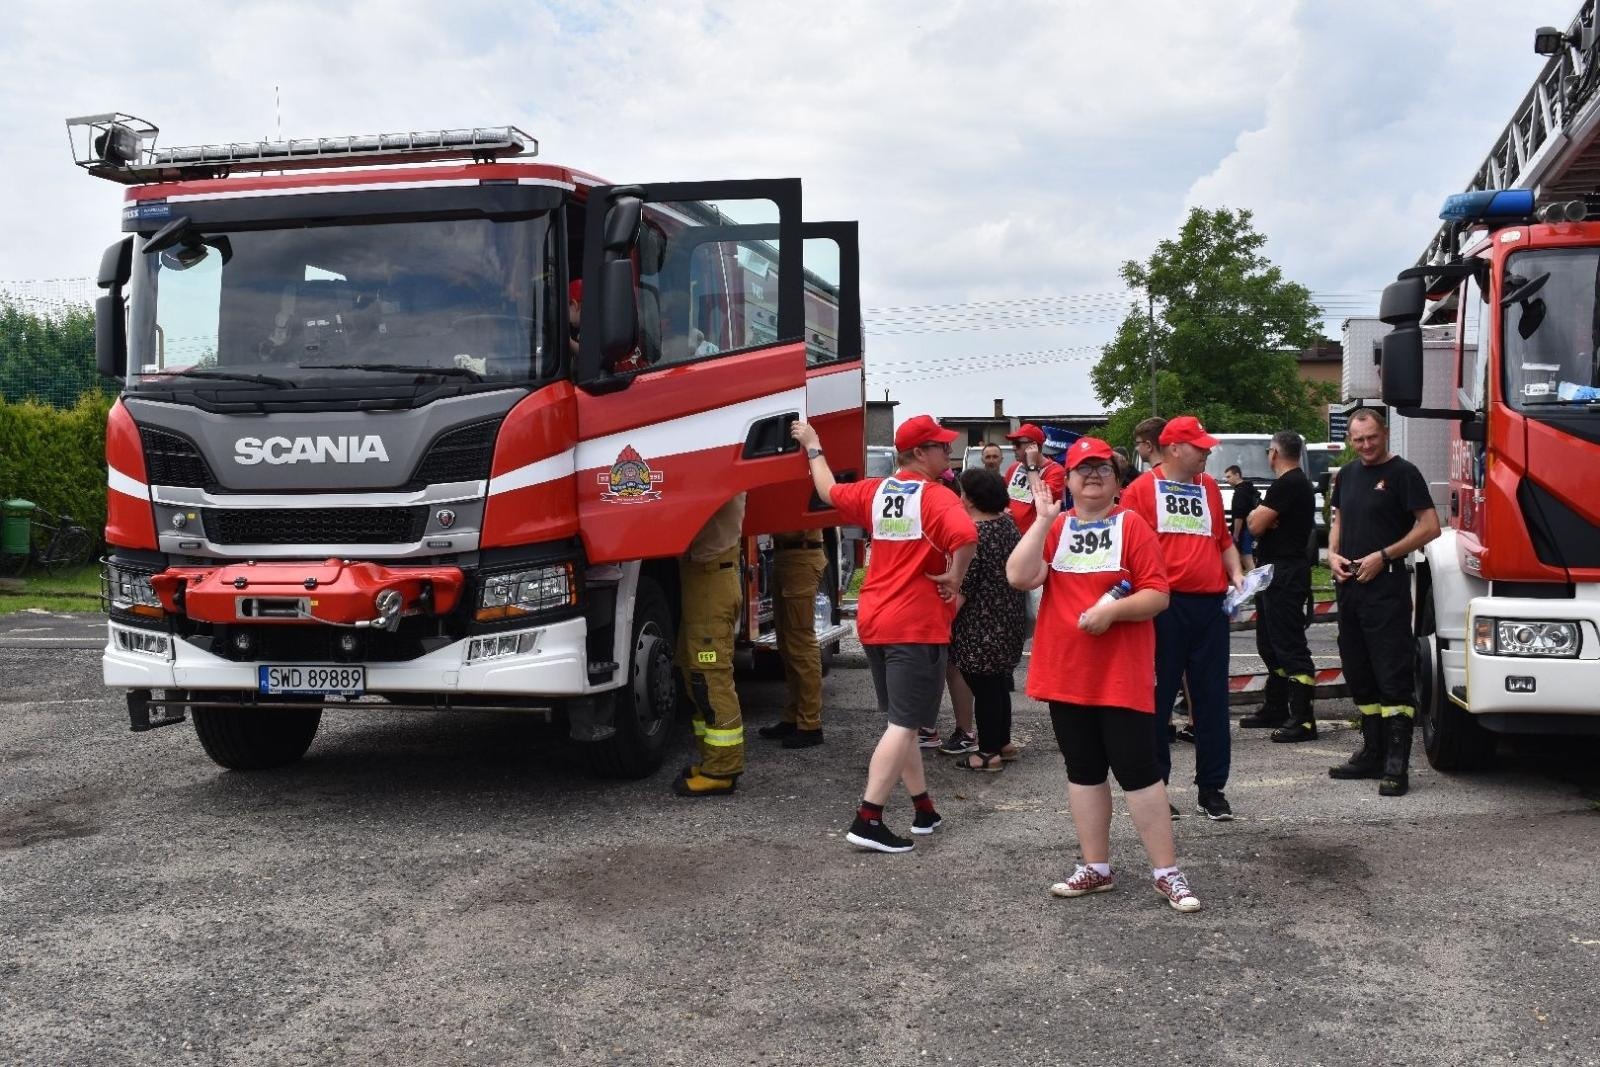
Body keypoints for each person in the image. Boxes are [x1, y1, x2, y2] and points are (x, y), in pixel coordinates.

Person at [1006, 437, 1200, 912]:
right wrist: (1044, 519)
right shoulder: (1056, 526)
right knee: (1084, 771)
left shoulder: (1131, 525)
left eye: (1102, 469)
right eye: (1082, 469)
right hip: (1066, 672)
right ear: (1067, 480)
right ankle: (1097, 866)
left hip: (1120, 672)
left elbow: (1157, 594)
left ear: (1117, 481)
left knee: (1139, 773)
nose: (1092, 476)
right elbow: (1019, 575)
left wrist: (1113, 613)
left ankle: (1166, 872)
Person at [792, 414, 977, 852]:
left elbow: (826, 490)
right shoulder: (937, 497)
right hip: (916, 624)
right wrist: (955, 576)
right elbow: (967, 535)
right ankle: (868, 817)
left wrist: (813, 445)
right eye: (940, 446)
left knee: (902, 723)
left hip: (875, 619)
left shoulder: (876, 492)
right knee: (905, 723)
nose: (947, 452)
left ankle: (922, 808)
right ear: (919, 453)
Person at [1121, 415, 1244, 821]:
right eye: (1200, 446)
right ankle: (1156, 787)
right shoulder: (1140, 490)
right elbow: (1127, 550)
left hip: (1209, 608)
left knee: (1211, 700)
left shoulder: (1209, 487)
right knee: (1155, 701)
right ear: (1174, 448)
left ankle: (1212, 789)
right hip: (1163, 608)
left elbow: (1223, 541)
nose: (1208, 451)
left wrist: (1238, 575)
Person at [1327, 409, 1441, 796]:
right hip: (1351, 587)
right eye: (1358, 440)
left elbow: (1430, 526)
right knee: (1358, 672)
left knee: (1392, 675)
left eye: (1371, 437)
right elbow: (1339, 519)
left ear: (1385, 433)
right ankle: (1372, 752)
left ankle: (1397, 764)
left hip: (1386, 587)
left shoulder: (1403, 473)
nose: (1365, 445)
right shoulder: (1346, 475)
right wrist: (1332, 554)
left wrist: (1385, 556)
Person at [1240, 432, 1319, 741]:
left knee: (1289, 645)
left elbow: (1255, 525)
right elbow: (1257, 521)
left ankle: (1303, 719)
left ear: (1274, 452)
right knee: (1269, 643)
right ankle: (1276, 706)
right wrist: (1259, 517)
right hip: (1273, 570)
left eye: (1268, 451)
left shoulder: (1289, 484)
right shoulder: (1285, 485)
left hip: (1287, 571)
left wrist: (1259, 517)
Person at [672, 493, 750, 797]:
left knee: (711, 677)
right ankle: (711, 760)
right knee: (695, 674)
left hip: (711, 579)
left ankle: (722, 769)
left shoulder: (719, 472)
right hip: (703, 578)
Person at [949, 467, 1026, 772]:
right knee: (998, 684)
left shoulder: (973, 535)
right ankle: (1003, 742)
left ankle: (988, 752)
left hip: (980, 625)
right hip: (1008, 619)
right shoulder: (1008, 524)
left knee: (983, 689)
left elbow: (963, 587)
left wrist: (943, 621)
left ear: (968, 499)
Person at [756, 528, 829, 749]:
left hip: (800, 557)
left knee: (801, 643)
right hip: (785, 557)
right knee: (786, 643)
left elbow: (796, 528)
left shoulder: (800, 492)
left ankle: (810, 725)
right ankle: (793, 717)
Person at [1001, 423, 1066, 535]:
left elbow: (1042, 501)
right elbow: (1002, 497)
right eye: (1013, 444)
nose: (1013, 448)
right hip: (1010, 536)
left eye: (1018, 444)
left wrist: (1031, 466)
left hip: (1036, 538)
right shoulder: (1014, 467)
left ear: (1033, 446)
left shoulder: (1055, 471)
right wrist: (1002, 509)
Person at [1224, 465, 1261, 571]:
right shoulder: (1249, 489)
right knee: (1241, 558)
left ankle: (1257, 585)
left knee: (1247, 559)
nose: (1227, 480)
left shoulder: (1240, 492)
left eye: (1229, 477)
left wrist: (1235, 535)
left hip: (1243, 530)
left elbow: (1238, 516)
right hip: (1251, 528)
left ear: (1237, 475)